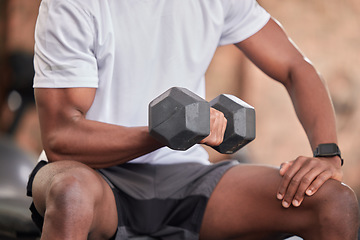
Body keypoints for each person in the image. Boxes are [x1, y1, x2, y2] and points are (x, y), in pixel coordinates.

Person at [27, 0, 359, 239]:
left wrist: (327, 154)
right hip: (96, 177)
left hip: (186, 175)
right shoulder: (72, 5)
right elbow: (61, 138)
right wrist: (165, 132)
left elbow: (295, 67)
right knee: (71, 194)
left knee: (334, 203)